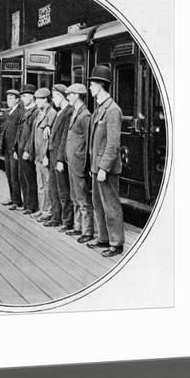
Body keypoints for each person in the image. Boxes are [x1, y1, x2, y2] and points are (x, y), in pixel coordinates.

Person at [86, 65, 125, 257]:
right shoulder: (100, 109)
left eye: (92, 83)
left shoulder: (112, 110)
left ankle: (116, 243)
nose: (90, 87)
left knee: (111, 205)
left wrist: (103, 167)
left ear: (101, 85)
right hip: (96, 167)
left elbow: (113, 143)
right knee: (98, 204)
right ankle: (103, 238)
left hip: (105, 168)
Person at [65, 83, 94, 242]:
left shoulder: (85, 115)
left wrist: (86, 163)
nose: (68, 96)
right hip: (72, 160)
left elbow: (89, 142)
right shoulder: (75, 112)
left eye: (70, 94)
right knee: (75, 195)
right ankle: (78, 227)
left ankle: (87, 231)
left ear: (77, 95)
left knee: (82, 197)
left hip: (79, 161)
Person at [45, 84, 74, 230]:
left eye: (55, 96)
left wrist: (61, 159)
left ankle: (67, 221)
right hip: (53, 155)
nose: (53, 99)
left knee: (63, 190)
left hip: (58, 157)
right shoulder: (59, 112)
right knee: (53, 189)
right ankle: (56, 217)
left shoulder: (68, 112)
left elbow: (64, 138)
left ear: (62, 96)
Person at [28, 87, 57, 221]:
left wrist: (46, 156)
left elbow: (50, 138)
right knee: (40, 183)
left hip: (44, 156)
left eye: (39, 99)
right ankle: (41, 209)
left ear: (46, 99)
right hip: (38, 155)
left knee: (47, 184)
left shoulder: (51, 114)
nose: (37, 101)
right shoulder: (40, 113)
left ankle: (48, 210)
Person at [13, 84, 39, 215]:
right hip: (21, 150)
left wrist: (28, 150)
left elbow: (32, 135)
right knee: (22, 177)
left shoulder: (35, 112)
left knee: (30, 178)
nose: (22, 99)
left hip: (27, 151)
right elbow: (19, 132)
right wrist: (15, 148)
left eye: (24, 96)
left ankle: (31, 205)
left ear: (31, 96)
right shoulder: (26, 111)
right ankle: (26, 203)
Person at [0, 89, 24, 210]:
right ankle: (12, 197)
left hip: (14, 149)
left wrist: (16, 149)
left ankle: (17, 200)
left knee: (15, 175)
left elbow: (19, 132)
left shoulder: (20, 113)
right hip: (6, 148)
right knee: (9, 174)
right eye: (7, 98)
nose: (8, 100)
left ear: (17, 100)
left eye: (11, 98)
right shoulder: (8, 112)